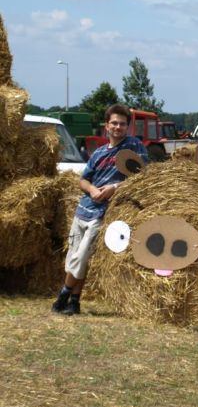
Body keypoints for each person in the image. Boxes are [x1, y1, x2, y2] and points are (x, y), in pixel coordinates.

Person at [51, 104, 149, 315]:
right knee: (75, 257)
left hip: (103, 213)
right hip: (83, 210)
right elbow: (83, 180)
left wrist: (115, 188)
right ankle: (75, 302)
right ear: (106, 126)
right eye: (114, 123)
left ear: (128, 127)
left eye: (122, 124)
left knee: (82, 256)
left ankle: (63, 295)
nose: (118, 127)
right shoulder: (98, 153)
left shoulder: (134, 146)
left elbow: (144, 177)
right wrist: (92, 189)